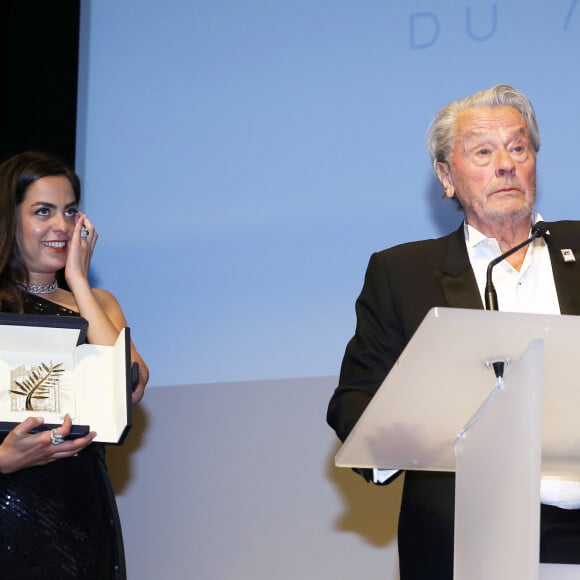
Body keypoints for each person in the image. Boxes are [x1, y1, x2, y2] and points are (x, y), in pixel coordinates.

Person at [327, 84, 580, 579]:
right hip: (465, 535)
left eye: (518, 147)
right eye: (483, 152)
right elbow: (353, 401)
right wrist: (404, 430)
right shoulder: (402, 273)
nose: (505, 164)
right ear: (447, 177)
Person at [0, 151, 149, 579]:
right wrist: (4, 460)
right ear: (9, 219)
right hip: (11, 504)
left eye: (70, 211)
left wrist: (78, 281)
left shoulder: (98, 303)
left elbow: (129, 386)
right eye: (43, 211)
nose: (62, 227)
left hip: (83, 505)